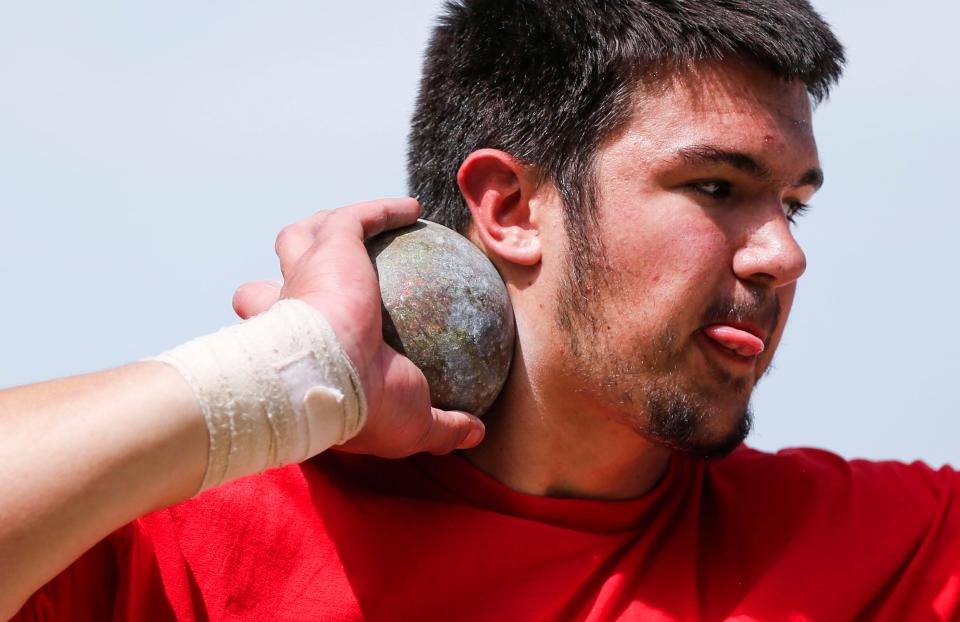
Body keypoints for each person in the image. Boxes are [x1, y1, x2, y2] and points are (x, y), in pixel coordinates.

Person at [3, 1, 959, 620]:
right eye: (716, 187)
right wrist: (286, 376)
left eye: (793, 204)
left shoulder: (888, 550)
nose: (785, 254)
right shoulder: (192, 548)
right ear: (508, 207)